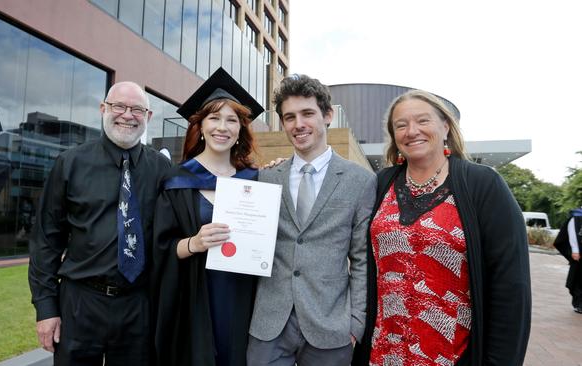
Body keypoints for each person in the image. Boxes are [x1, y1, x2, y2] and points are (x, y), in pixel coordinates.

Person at [351, 90, 531, 366]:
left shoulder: (482, 185)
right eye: (401, 125)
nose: (412, 131)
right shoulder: (379, 184)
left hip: (452, 355)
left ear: (445, 126)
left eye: (423, 120)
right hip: (384, 353)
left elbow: (511, 285)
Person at [28, 81, 170, 365]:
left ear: (149, 117)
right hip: (80, 303)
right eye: (119, 106)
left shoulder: (162, 170)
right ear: (103, 108)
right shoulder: (70, 163)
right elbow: (46, 241)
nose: (127, 115)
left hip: (138, 306)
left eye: (137, 109)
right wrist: (46, 308)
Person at [247, 74, 376, 366]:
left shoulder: (360, 180)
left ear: (327, 115)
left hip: (331, 326)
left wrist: (356, 323)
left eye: (307, 113)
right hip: (269, 325)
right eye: (289, 117)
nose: (298, 124)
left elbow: (361, 259)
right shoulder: (266, 178)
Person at [151, 67, 264, 366]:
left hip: (242, 296)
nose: (222, 127)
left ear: (241, 129)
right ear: (200, 126)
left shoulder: (256, 181)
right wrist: (195, 243)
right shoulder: (177, 181)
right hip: (192, 296)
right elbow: (161, 247)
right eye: (214, 118)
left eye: (232, 120)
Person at [554, 207, 582, 314]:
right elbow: (573, 233)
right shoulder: (577, 216)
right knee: (578, 279)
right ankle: (578, 303)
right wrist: (575, 250)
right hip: (579, 254)